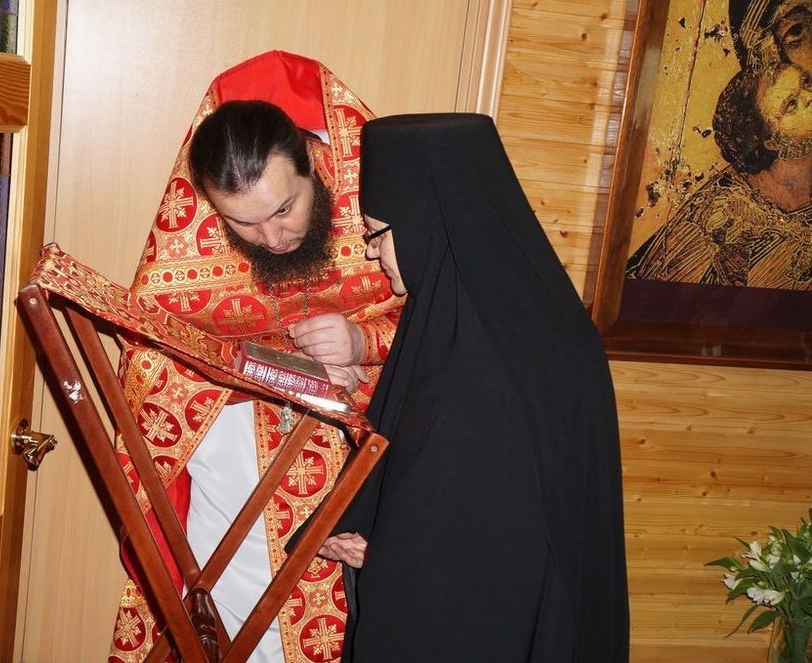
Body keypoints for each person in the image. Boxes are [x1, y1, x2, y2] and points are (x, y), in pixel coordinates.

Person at [108, 51, 403, 663]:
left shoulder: (375, 208)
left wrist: (362, 343)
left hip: (364, 460)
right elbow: (153, 351)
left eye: (283, 209)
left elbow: (444, 319)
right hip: (236, 478)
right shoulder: (195, 243)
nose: (272, 239)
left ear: (312, 164)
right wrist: (270, 375)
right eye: (242, 223)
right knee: (233, 623)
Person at [319, 114, 629, 661]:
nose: (371, 252)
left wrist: (390, 553)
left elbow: (487, 531)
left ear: (426, 222)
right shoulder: (486, 314)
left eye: (377, 233)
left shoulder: (488, 350)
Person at [627, 61, 811, 289]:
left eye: (807, 83)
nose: (809, 97)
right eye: (791, 104)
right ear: (771, 142)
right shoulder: (721, 220)